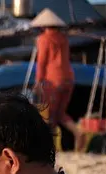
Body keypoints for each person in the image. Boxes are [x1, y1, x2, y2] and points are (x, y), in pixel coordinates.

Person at [32, 10, 79, 141]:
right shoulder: (64, 39)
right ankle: (78, 132)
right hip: (68, 78)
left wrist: (38, 81)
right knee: (60, 114)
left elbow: (41, 62)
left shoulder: (44, 39)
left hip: (53, 80)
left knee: (50, 114)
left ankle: (49, 144)